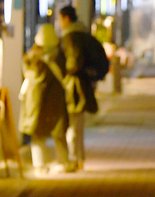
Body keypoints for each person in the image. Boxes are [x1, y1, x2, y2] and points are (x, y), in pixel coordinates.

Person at [19, 24, 70, 176]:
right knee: (59, 132)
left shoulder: (33, 57)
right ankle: (63, 161)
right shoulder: (60, 56)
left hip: (36, 101)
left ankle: (39, 165)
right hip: (56, 101)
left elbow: (29, 73)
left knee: (38, 134)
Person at [59, 5, 99, 172]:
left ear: (67, 19)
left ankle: (75, 159)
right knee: (78, 124)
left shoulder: (70, 36)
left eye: (60, 19)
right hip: (82, 84)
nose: (60, 23)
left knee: (73, 125)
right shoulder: (83, 33)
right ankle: (79, 158)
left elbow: (73, 62)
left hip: (73, 86)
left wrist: (64, 71)